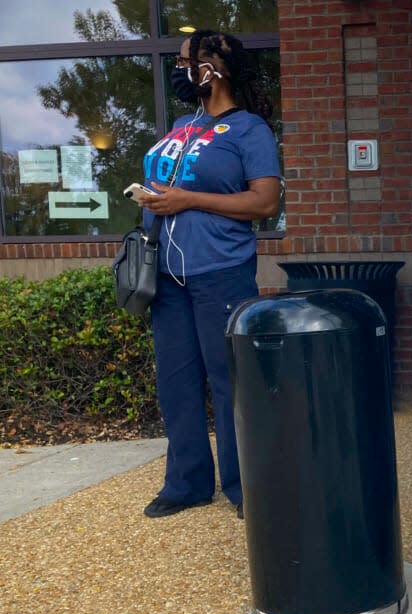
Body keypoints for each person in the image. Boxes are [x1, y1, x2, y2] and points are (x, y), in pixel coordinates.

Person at [138, 30, 280, 519]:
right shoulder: (182, 124)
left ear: (214, 68)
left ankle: (246, 487)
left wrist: (189, 199)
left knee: (229, 382)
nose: (178, 70)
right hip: (169, 275)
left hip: (219, 272)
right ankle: (187, 483)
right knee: (175, 383)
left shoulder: (249, 131)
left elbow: (265, 202)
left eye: (185, 61)